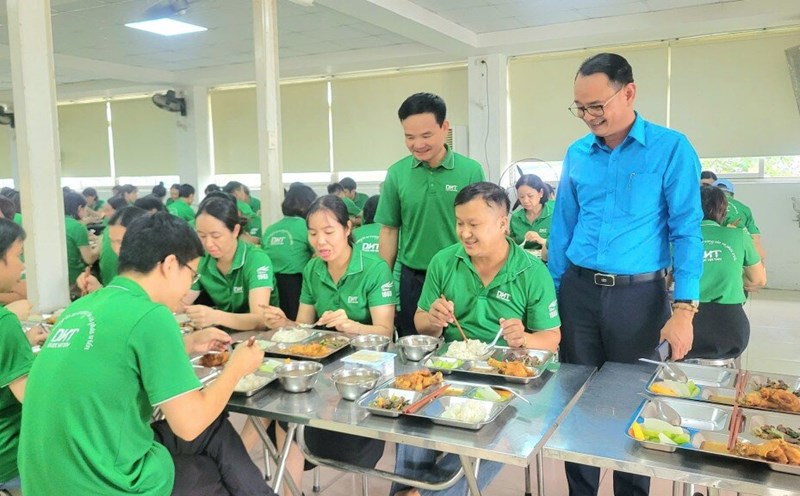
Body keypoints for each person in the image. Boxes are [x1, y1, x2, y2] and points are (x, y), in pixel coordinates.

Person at [19, 213, 273, 496]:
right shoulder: (152, 316)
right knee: (210, 471)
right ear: (169, 265)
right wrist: (236, 368)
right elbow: (190, 423)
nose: (190, 286)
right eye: (191, 273)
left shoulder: (80, 307)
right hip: (100, 484)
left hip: (45, 479)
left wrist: (187, 344)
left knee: (214, 432)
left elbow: (116, 357)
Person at [548, 53, 703, 496]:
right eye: (580, 108)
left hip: (639, 298)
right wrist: (557, 295)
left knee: (633, 402)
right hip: (578, 292)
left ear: (629, 92)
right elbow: (563, 226)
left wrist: (685, 310)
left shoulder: (671, 148)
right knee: (575, 399)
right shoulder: (577, 153)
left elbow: (687, 232)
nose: (588, 117)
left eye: (596, 106)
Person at [392, 182, 561, 496]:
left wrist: (523, 339)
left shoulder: (531, 271)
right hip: (450, 369)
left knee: (491, 432)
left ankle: (420, 494)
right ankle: (409, 490)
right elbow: (421, 325)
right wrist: (433, 320)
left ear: (502, 223)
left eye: (474, 225)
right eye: (460, 223)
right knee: (411, 420)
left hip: (507, 378)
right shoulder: (444, 261)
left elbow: (551, 338)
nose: (465, 233)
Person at [262, 195, 395, 494]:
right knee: (286, 417)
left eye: (329, 232)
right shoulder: (313, 269)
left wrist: (352, 327)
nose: (320, 241)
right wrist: (283, 324)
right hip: (323, 367)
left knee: (309, 424)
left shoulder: (374, 269)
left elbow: (385, 333)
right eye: (312, 233)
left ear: (348, 228)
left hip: (365, 372)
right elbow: (304, 327)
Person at [376, 92, 485, 337]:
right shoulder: (397, 174)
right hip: (413, 279)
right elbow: (389, 230)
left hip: (460, 274)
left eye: (426, 135)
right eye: (409, 137)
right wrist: (383, 288)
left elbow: (481, 228)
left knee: (461, 344)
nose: (418, 144)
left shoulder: (470, 170)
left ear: (444, 127)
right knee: (413, 347)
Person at [687, 186, 766, 359]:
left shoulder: (680, 238)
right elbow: (759, 280)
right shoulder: (739, 235)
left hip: (687, 325)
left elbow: (666, 280)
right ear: (723, 210)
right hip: (732, 330)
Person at [181, 196, 276, 331]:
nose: (208, 244)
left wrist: (216, 316)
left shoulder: (256, 259)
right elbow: (182, 303)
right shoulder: (203, 260)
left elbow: (260, 320)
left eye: (216, 236)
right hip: (224, 338)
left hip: (259, 338)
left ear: (235, 230)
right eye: (202, 236)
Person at [0, 218, 31, 496]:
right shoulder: (4, 323)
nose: (22, 265)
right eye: (17, 256)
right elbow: (33, 398)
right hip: (9, 458)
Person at [261, 185, 316, 321]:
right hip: (296, 284)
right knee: (298, 325)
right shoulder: (306, 227)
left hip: (270, 285)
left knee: (278, 322)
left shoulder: (270, 229)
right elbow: (319, 254)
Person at [81, 206, 149, 292]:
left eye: (121, 242)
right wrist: (97, 288)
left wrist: (100, 291)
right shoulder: (125, 262)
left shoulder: (155, 268)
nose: (116, 249)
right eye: (112, 241)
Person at [713, 178, 766, 263]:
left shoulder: (704, 207)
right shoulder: (744, 208)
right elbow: (755, 238)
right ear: (732, 194)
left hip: (712, 253)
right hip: (738, 253)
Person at [509, 174, 553, 262]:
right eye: (521, 197)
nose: (525, 201)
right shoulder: (516, 217)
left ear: (541, 193)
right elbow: (513, 245)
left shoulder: (553, 214)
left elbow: (561, 244)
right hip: (523, 263)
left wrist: (542, 240)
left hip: (548, 264)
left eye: (530, 196)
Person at [63, 191, 100, 286]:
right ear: (79, 208)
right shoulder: (77, 227)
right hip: (74, 276)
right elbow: (89, 259)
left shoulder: (57, 222)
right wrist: (101, 243)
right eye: (85, 208)